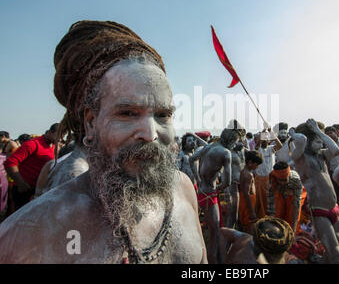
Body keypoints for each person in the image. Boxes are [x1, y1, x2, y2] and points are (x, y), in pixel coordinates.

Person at [0, 20, 206, 263]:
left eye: (162, 115)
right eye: (128, 113)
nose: (150, 134)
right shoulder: (27, 235)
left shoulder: (182, 189)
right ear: (90, 122)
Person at [289, 119, 339, 263]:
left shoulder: (321, 154)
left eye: (321, 142)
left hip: (333, 208)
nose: (322, 144)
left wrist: (319, 132)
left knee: (337, 249)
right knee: (335, 253)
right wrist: (294, 134)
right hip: (319, 211)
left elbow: (336, 150)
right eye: (318, 142)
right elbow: (301, 139)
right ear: (308, 143)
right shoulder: (300, 157)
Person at [189, 124, 243, 264]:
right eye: (236, 141)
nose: (236, 144)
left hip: (201, 192)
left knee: (210, 230)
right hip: (209, 195)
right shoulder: (225, 153)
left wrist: (198, 178)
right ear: (231, 140)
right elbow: (227, 182)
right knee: (215, 234)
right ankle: (211, 261)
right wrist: (218, 187)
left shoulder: (208, 146)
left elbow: (191, 159)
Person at [3, 123, 59, 210]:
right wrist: (21, 184)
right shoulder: (33, 144)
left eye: (62, 136)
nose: (60, 139)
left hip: (38, 191)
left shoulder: (53, 146)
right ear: (49, 132)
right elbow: (10, 163)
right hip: (24, 191)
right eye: (58, 135)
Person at [253, 128, 282, 219]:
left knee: (271, 200)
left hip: (270, 179)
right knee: (260, 200)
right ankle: (260, 216)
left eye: (267, 139)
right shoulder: (257, 149)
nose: (265, 141)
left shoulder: (271, 149)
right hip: (260, 179)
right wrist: (263, 133)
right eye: (263, 139)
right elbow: (257, 145)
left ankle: (270, 217)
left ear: (269, 140)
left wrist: (271, 132)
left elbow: (280, 145)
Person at [267, 161, 302, 232]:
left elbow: (296, 205)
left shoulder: (295, 181)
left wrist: (294, 229)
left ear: (288, 176)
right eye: (280, 180)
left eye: (285, 180)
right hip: (280, 195)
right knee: (278, 214)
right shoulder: (272, 182)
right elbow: (271, 206)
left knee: (291, 216)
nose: (283, 183)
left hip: (292, 196)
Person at [239, 150, 263, 234]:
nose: (257, 167)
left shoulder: (244, 171)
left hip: (246, 200)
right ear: (250, 162)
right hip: (247, 202)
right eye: (256, 164)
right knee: (249, 226)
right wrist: (252, 211)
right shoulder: (248, 175)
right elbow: (247, 193)